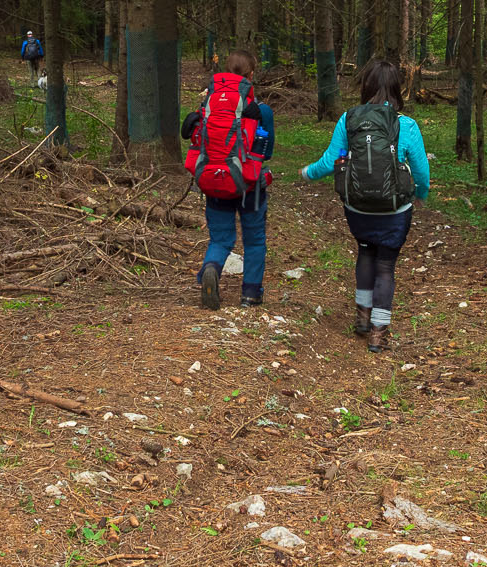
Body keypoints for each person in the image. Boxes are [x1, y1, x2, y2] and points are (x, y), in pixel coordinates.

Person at [302, 59, 430, 352]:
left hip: (357, 208)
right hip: (394, 210)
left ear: (366, 86)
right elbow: (421, 171)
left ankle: (362, 317)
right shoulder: (406, 125)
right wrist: (420, 193)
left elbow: (329, 160)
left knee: (365, 253)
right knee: (386, 265)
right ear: (397, 88)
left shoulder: (348, 119)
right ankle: (378, 333)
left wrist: (308, 172)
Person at [182, 51, 275, 310]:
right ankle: (251, 294)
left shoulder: (209, 105)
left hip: (215, 180)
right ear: (251, 75)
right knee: (254, 239)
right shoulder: (261, 110)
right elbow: (266, 152)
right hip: (250, 184)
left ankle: (210, 269)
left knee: (221, 238)